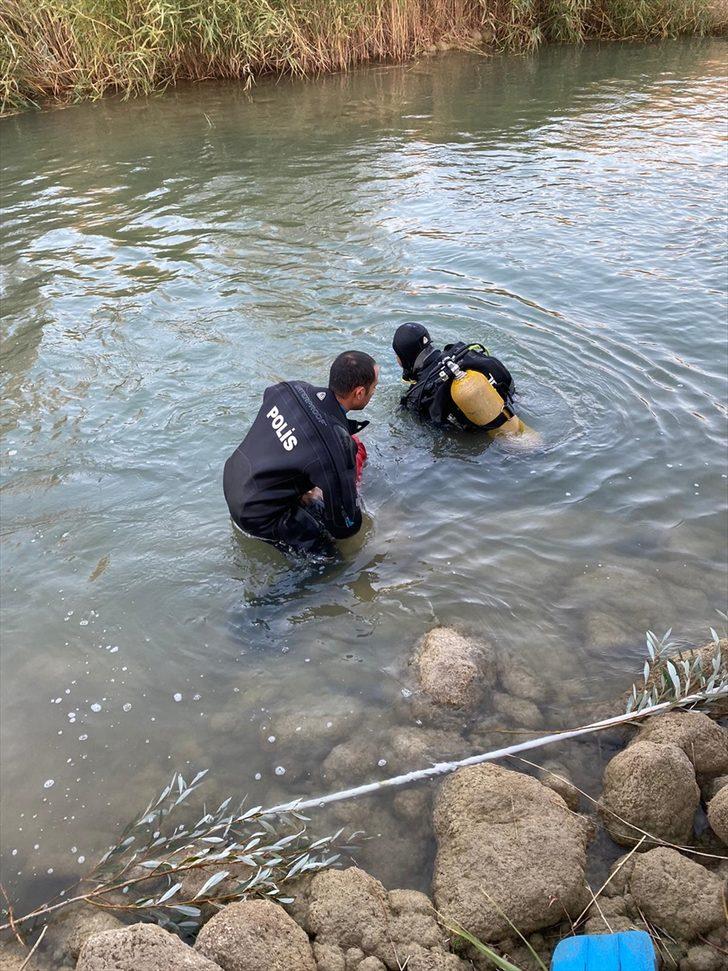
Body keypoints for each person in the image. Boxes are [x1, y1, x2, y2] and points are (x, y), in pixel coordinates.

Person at [223, 351, 378, 556]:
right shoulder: (336, 446)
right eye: (374, 387)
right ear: (359, 393)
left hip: (232, 477)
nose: (374, 391)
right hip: (255, 515)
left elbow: (269, 397)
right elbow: (345, 527)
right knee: (332, 562)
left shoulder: (292, 388)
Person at [392, 321, 529, 435]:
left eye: (397, 354)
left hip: (488, 438)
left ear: (405, 358)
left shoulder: (418, 395)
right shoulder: (462, 352)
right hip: (514, 404)